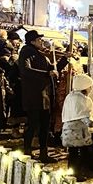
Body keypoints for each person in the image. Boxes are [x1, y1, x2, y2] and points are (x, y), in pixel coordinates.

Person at [18, 30, 59, 162]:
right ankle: (27, 151)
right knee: (33, 124)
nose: (42, 42)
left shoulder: (41, 55)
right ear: (32, 41)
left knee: (45, 126)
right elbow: (26, 70)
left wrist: (64, 59)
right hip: (34, 95)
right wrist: (47, 74)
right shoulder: (27, 52)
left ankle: (43, 152)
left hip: (44, 96)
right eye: (39, 40)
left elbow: (52, 69)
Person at [61, 74, 93, 181]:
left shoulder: (70, 96)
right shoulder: (83, 99)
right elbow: (83, 116)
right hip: (79, 131)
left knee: (72, 153)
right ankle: (79, 173)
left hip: (68, 129)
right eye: (89, 86)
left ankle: (72, 172)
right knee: (82, 152)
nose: (90, 89)